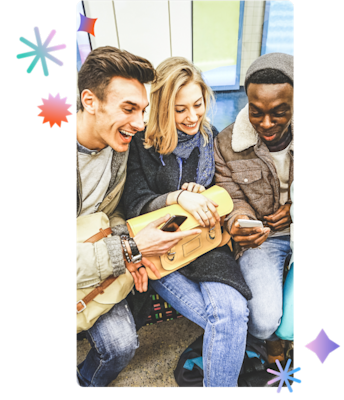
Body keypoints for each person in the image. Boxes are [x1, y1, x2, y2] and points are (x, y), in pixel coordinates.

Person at [122, 56, 252, 388]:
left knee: (234, 313)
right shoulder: (141, 144)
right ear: (164, 108)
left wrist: (202, 192)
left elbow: (222, 194)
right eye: (180, 110)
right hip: (163, 251)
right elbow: (135, 202)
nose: (192, 116)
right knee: (225, 320)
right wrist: (178, 197)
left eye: (198, 105)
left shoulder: (210, 137)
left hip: (207, 246)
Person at [76, 46, 202, 388]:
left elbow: (112, 209)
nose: (140, 123)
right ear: (90, 101)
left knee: (121, 346)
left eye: (143, 110)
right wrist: (130, 249)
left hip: (99, 251)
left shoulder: (120, 147)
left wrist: (122, 240)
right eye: (129, 109)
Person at [214, 52, 294, 364]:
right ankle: (271, 341)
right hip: (266, 240)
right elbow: (229, 194)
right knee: (262, 322)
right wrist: (239, 221)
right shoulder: (226, 143)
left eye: (279, 113)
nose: (266, 123)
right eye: (256, 112)